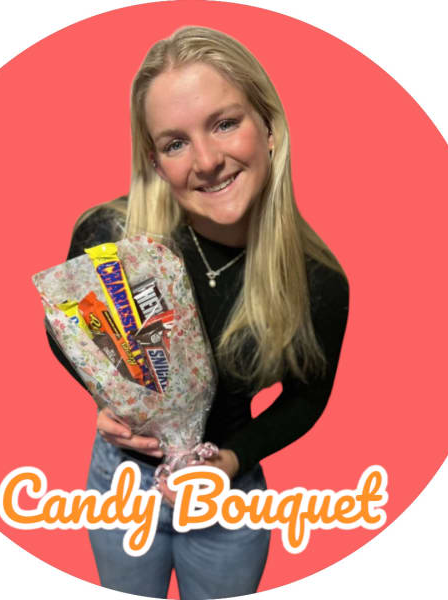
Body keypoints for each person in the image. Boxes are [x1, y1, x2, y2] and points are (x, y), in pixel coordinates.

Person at [47, 26, 349, 600]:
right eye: (175, 143)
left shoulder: (319, 282)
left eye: (225, 123)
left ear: (270, 127)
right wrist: (107, 398)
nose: (206, 161)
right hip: (122, 485)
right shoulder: (110, 238)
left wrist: (232, 460)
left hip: (228, 497)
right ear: (155, 161)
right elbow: (63, 331)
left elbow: (308, 398)